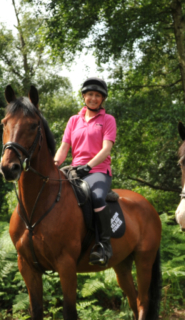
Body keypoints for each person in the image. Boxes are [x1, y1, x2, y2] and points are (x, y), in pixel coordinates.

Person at [54, 77, 117, 266]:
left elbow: (106, 149)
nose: (93, 98)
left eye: (98, 96)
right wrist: (53, 165)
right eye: (90, 94)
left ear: (102, 99)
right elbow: (64, 148)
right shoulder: (74, 120)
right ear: (84, 96)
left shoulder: (108, 120)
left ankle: (104, 245)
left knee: (96, 198)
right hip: (74, 169)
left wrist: (88, 167)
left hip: (98, 170)